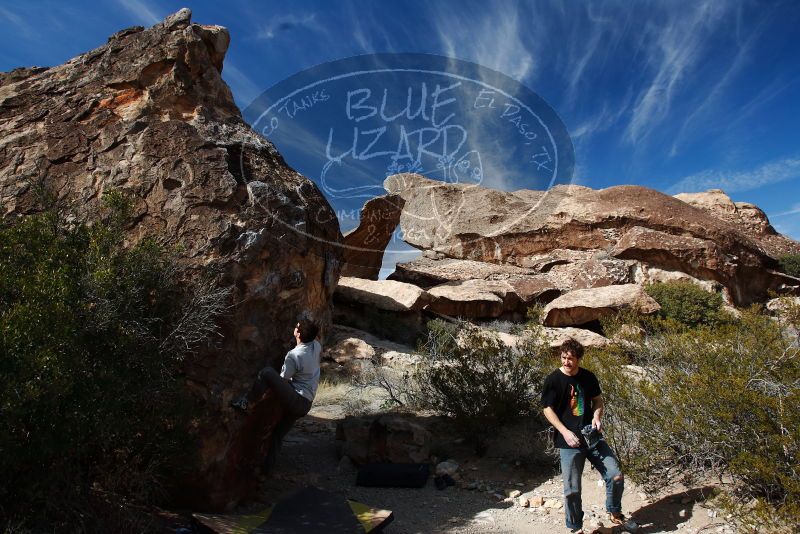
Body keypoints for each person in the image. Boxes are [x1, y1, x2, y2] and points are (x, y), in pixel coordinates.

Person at [541, 338, 626, 534]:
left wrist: (597, 417)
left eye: (570, 358)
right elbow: (547, 409)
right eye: (563, 357)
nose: (566, 362)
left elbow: (597, 400)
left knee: (615, 476)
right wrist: (564, 431)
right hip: (568, 440)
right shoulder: (553, 380)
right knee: (572, 490)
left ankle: (615, 512)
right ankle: (575, 527)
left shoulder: (588, 377)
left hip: (592, 436)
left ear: (578, 358)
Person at [231, 317, 322, 473]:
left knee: (266, 373)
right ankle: (267, 471)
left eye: (297, 326)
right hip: (306, 404)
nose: (295, 327)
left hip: (296, 400)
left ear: (298, 334)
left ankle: (246, 403)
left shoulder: (294, 355)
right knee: (277, 435)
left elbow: (283, 380)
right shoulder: (316, 346)